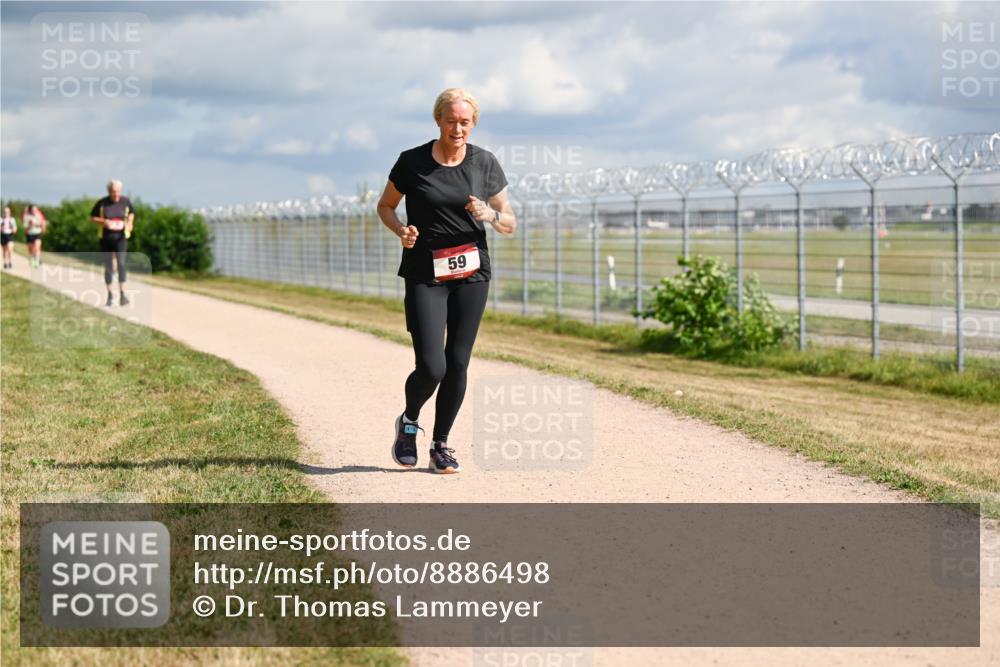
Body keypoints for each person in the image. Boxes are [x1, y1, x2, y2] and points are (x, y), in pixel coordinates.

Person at [377, 88, 516, 474]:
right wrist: (401, 230)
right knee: (432, 366)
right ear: (438, 120)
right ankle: (408, 422)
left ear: (474, 124)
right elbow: (385, 206)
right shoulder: (412, 161)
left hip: (472, 273)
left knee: (457, 362)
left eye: (465, 122)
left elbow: (509, 222)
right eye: (451, 121)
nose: (458, 128)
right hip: (426, 273)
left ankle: (441, 444)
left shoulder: (484, 162)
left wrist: (489, 214)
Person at [90, 179, 135, 306]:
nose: (116, 194)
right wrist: (104, 222)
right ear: (109, 191)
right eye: (113, 192)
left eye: (118, 191)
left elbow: (131, 213)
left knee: (121, 263)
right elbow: (92, 217)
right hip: (106, 237)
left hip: (121, 237)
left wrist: (130, 223)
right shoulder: (102, 203)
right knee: (109, 266)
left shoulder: (125, 201)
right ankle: (110, 295)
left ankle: (123, 294)